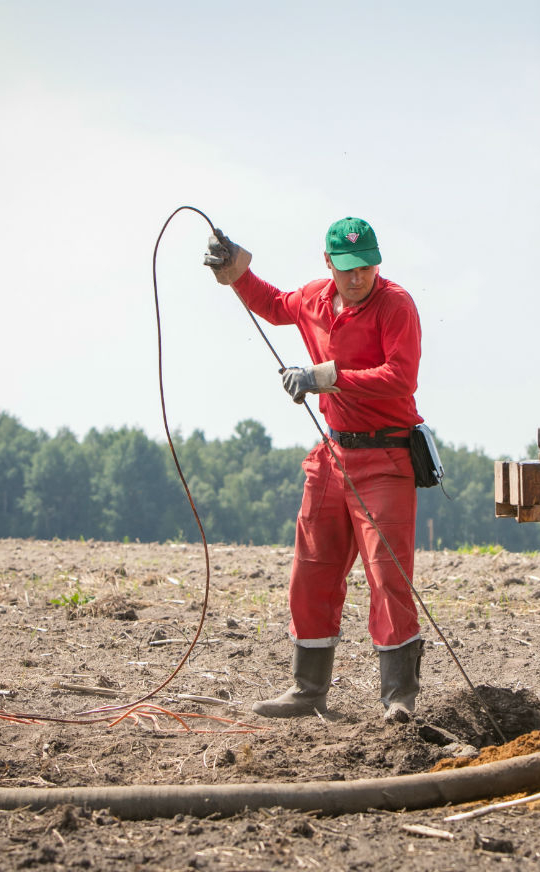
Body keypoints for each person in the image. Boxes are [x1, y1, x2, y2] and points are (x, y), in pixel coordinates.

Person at [204, 217, 425, 722]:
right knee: (312, 571)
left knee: (387, 575)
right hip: (331, 457)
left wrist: (324, 377)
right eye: (347, 268)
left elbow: (400, 376)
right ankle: (307, 689)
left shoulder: (397, 305)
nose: (357, 277)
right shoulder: (314, 298)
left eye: (367, 266)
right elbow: (273, 303)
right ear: (328, 263)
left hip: (387, 458)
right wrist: (236, 269)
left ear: (377, 261)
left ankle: (399, 699)